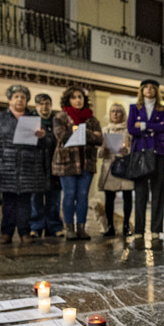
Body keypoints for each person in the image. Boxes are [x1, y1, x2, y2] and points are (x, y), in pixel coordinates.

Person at [0, 84, 48, 244]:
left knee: (25, 202)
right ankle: (6, 232)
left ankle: (25, 232)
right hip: (6, 166)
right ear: (10, 100)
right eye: (16, 97)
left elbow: (46, 144)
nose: (20, 99)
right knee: (9, 202)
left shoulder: (35, 119)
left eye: (23, 97)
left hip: (28, 167)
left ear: (27, 101)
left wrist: (42, 137)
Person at [53, 86, 103, 240]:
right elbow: (62, 136)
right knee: (68, 195)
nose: (78, 100)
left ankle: (81, 228)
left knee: (83, 196)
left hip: (86, 162)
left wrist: (78, 131)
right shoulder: (60, 117)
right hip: (67, 162)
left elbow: (99, 139)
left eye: (80, 97)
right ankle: (69, 228)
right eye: (74, 97)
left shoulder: (92, 119)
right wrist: (88, 133)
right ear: (68, 99)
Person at [128, 78, 164, 242]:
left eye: (153, 88)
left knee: (158, 191)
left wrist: (144, 125)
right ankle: (139, 229)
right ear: (142, 90)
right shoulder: (134, 108)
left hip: (158, 152)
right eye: (146, 87)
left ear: (157, 91)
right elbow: (131, 128)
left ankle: (156, 229)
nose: (149, 90)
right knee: (140, 192)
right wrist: (153, 125)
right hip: (141, 152)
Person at [29, 93, 64, 238]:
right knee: (35, 199)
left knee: (54, 198)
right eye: (41, 104)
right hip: (35, 165)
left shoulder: (57, 121)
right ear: (36, 106)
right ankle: (35, 227)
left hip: (54, 165)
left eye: (47, 104)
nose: (44, 107)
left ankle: (54, 227)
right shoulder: (30, 121)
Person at [98, 101, 133, 239]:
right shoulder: (105, 130)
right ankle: (110, 226)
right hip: (110, 166)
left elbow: (132, 148)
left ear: (123, 114)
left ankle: (126, 225)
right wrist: (103, 151)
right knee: (109, 198)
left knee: (127, 196)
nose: (115, 114)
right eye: (113, 111)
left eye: (118, 111)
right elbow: (99, 150)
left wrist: (127, 150)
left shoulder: (128, 131)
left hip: (125, 166)